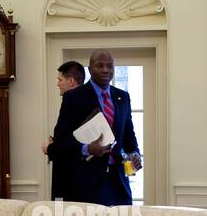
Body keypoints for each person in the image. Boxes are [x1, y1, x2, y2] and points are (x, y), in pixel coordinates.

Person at [51, 50, 142, 205]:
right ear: (90, 69)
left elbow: (128, 135)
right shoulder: (73, 97)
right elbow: (61, 139)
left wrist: (135, 155)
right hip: (85, 184)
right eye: (100, 66)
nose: (106, 70)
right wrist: (87, 148)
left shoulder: (123, 97)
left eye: (110, 66)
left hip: (118, 182)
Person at [41, 60, 85, 200]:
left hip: (70, 178)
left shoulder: (70, 99)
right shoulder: (85, 100)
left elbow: (70, 145)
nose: (57, 84)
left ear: (71, 81)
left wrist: (50, 148)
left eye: (60, 79)